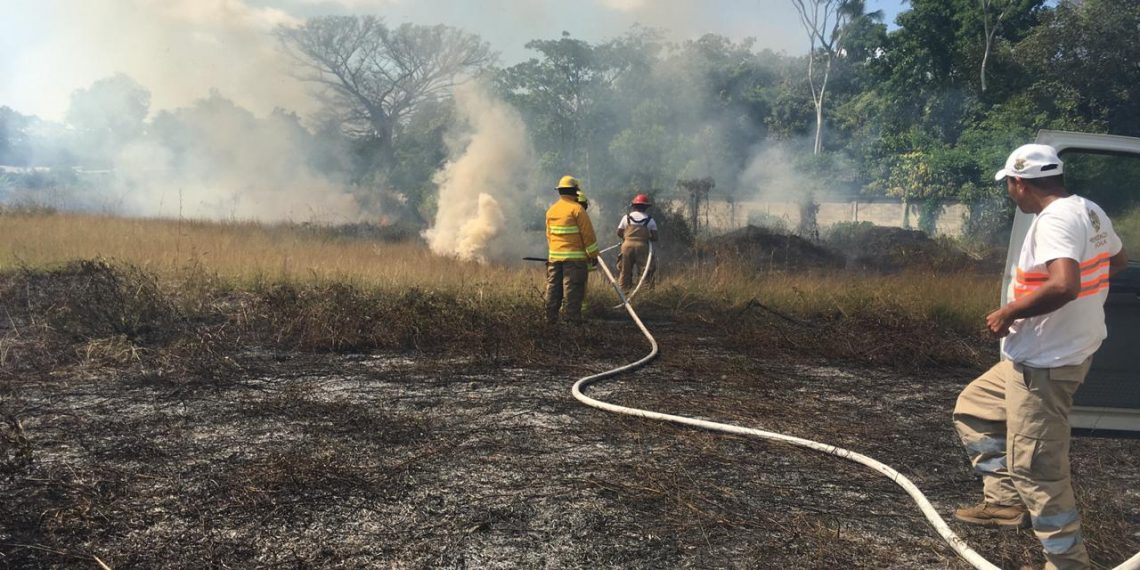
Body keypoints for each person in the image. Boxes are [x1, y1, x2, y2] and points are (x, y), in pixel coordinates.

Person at [952, 144, 1128, 570]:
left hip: (1045, 366)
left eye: (1009, 186)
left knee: (1037, 469)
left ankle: (1068, 563)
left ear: (1019, 183)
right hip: (1033, 357)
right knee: (975, 408)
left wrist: (1009, 311)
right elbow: (1117, 260)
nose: (1010, 193)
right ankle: (1005, 503)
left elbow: (1065, 284)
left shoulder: (1053, 221)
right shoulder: (1088, 209)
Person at [544, 175, 599, 324]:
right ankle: (571, 324)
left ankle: (550, 321)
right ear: (575, 191)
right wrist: (593, 255)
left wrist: (555, 253)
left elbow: (549, 235)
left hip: (554, 259)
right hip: (574, 261)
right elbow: (588, 235)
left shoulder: (551, 211)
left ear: (560, 191)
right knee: (572, 291)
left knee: (553, 289)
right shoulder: (577, 210)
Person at [616, 193, 658, 291]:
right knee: (646, 272)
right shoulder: (650, 220)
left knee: (625, 271)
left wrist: (627, 239)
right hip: (642, 247)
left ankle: (624, 294)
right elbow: (655, 237)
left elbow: (619, 232)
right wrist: (646, 238)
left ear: (634, 206)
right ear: (646, 207)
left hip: (626, 247)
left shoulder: (626, 218)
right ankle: (645, 295)